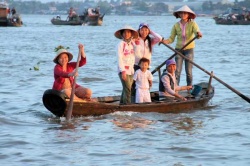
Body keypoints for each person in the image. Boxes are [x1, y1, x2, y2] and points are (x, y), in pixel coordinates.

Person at [162, 5, 202, 86]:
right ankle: (175, 88)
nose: (183, 15)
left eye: (185, 13)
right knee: (177, 71)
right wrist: (164, 41)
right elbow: (171, 39)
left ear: (188, 14)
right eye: (181, 13)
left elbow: (196, 32)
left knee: (189, 71)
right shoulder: (176, 25)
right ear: (179, 14)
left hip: (189, 49)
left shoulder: (193, 24)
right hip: (178, 50)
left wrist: (198, 34)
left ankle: (189, 88)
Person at [114, 25, 138, 104]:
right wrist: (123, 71)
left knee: (126, 89)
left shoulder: (131, 45)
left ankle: (121, 105)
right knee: (128, 89)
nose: (126, 34)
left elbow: (136, 55)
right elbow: (119, 58)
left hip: (131, 70)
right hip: (123, 70)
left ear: (131, 34)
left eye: (128, 32)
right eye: (124, 32)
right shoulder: (121, 44)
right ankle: (127, 108)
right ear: (122, 34)